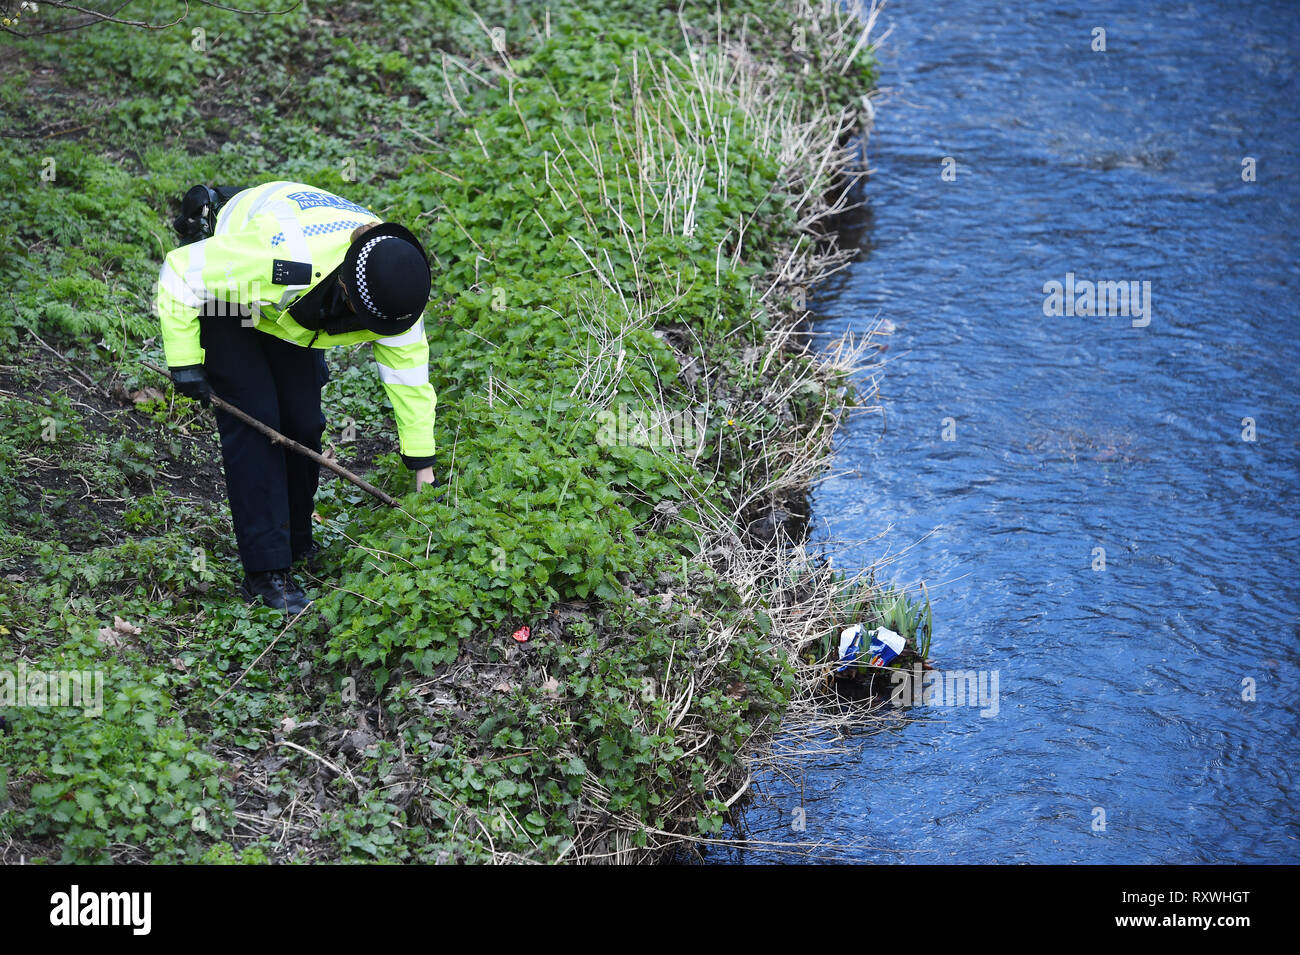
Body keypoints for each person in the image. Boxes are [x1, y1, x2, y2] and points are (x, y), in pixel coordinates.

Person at [155, 181, 438, 613]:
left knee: (303, 422)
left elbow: (409, 379)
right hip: (234, 298)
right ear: (347, 293)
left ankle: (296, 541)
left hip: (291, 312)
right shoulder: (282, 260)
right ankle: (266, 571)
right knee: (259, 420)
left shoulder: (397, 295)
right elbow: (180, 271)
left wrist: (423, 469)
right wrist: (184, 362)